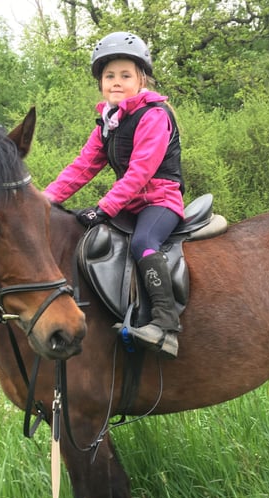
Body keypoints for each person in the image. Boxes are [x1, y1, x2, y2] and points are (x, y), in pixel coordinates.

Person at [44, 31, 185, 358]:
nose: (116, 82)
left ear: (141, 79)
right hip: (131, 205)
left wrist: (104, 208)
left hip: (161, 201)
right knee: (89, 236)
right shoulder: (108, 124)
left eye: (125, 75)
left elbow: (140, 172)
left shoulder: (154, 116)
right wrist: (43, 200)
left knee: (142, 243)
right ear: (101, 83)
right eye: (110, 76)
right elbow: (81, 168)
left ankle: (165, 325)